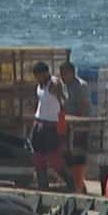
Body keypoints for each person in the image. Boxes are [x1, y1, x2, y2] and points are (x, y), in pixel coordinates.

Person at [28, 61, 75, 191]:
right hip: (39, 123)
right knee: (38, 158)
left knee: (54, 159)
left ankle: (70, 182)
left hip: (51, 125)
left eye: (38, 75)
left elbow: (64, 99)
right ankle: (43, 187)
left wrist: (59, 94)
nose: (37, 78)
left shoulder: (54, 83)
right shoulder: (40, 85)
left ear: (45, 73)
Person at [58, 60, 92, 194]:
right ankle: (74, 184)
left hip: (79, 127)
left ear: (72, 73)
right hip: (66, 125)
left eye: (64, 74)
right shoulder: (64, 86)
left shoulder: (81, 86)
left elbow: (84, 107)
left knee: (78, 155)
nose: (62, 77)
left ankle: (79, 184)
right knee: (66, 155)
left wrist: (78, 122)